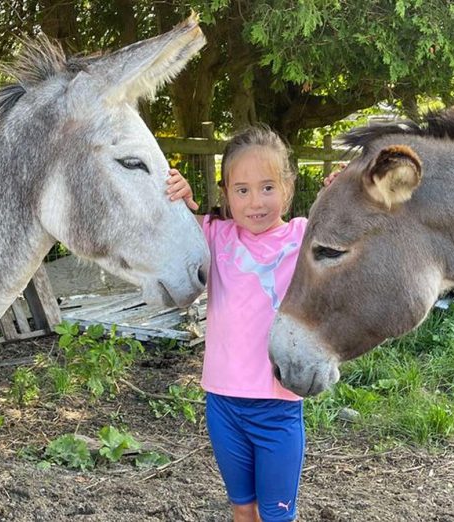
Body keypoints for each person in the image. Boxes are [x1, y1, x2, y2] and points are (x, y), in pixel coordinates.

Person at [166, 125, 311, 522]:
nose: (255, 201)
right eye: (242, 190)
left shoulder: (302, 237)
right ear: (227, 194)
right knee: (242, 508)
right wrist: (179, 195)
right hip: (223, 404)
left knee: (276, 515)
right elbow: (171, 225)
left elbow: (355, 232)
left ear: (288, 187)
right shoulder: (215, 234)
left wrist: (340, 194)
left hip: (278, 407)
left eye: (267, 187)